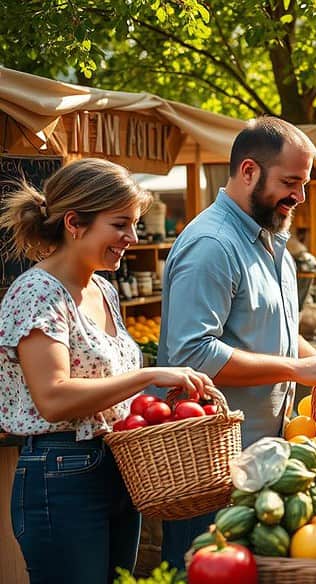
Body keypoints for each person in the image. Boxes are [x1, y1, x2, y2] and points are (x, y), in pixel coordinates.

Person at [0, 158, 216, 584]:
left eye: (134, 225)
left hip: (116, 467)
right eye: (120, 225)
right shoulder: (37, 293)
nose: (131, 239)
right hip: (61, 472)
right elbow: (53, 398)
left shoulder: (102, 288)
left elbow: (105, 389)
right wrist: (147, 376)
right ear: (75, 223)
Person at [158, 117, 316, 568]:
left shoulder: (271, 241)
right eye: (291, 182)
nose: (300, 197)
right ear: (248, 171)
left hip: (259, 460)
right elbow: (193, 354)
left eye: (303, 184)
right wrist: (294, 370)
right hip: (211, 466)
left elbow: (279, 334)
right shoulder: (212, 244)